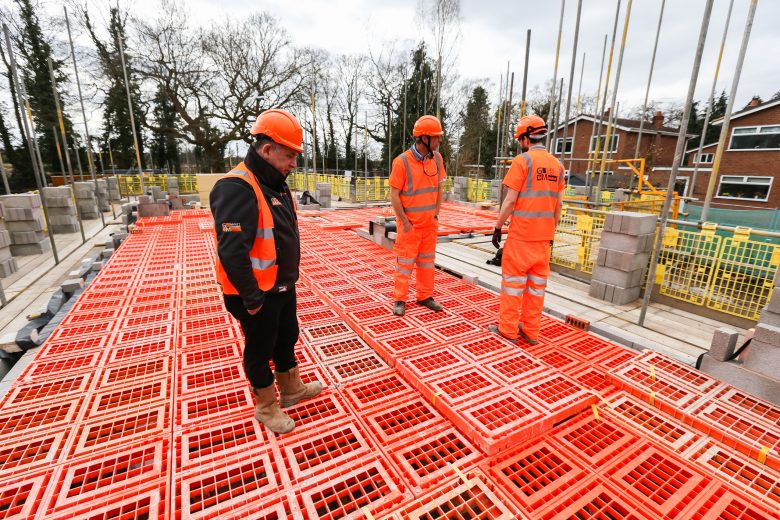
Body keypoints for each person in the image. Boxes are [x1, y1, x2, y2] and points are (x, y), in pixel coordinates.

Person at [210, 109, 322, 434]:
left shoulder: (277, 183)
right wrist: (252, 298)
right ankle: (265, 406)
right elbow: (232, 250)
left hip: (281, 286)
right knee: (260, 349)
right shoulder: (237, 187)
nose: (293, 164)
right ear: (267, 150)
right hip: (255, 293)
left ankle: (291, 389)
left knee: (287, 337)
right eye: (289, 156)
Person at [489, 114, 565, 345]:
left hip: (522, 236)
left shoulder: (522, 162)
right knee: (536, 289)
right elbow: (558, 205)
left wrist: (498, 227)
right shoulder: (558, 166)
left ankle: (508, 331)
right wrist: (551, 232)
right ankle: (531, 332)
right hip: (544, 239)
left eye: (519, 139)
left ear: (525, 138)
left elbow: (510, 201)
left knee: (513, 285)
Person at [389, 115, 448, 316]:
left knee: (427, 263)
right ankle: (400, 299)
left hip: (429, 226)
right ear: (424, 138)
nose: (439, 140)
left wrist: (436, 214)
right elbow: (394, 195)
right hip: (410, 227)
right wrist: (404, 222)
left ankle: (425, 296)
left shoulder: (438, 159)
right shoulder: (401, 162)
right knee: (404, 264)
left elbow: (440, 188)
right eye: (436, 137)